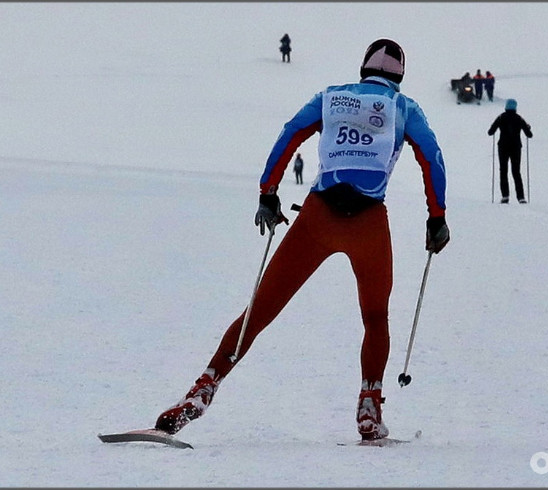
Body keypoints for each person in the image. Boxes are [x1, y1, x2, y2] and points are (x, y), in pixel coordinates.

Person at [153, 38, 450, 442]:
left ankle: (202, 391)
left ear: (363, 69)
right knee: (375, 318)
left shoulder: (332, 98)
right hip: (367, 223)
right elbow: (431, 157)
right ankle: (369, 407)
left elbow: (290, 133)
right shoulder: (403, 108)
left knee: (258, 314)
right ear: (399, 76)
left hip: (317, 218)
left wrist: (268, 191)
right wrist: (437, 218)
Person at [487, 98, 533, 203]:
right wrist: (528, 128)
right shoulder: (519, 118)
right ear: (515, 107)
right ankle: (521, 197)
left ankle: (505, 196)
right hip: (516, 147)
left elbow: (490, 132)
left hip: (503, 147)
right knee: (516, 172)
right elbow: (529, 135)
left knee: (503, 171)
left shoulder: (501, 117)